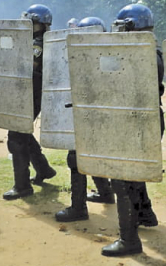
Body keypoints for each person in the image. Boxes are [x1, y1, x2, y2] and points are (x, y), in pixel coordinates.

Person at [101, 4, 163, 257]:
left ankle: (129, 240)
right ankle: (146, 214)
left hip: (138, 120)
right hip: (142, 119)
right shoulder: (148, 50)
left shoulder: (145, 53)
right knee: (134, 173)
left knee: (123, 177)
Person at [55, 16, 115, 223]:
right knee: (92, 154)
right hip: (102, 115)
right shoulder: (111, 52)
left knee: (77, 157)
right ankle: (105, 193)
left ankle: (78, 208)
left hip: (94, 115)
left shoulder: (97, 55)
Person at [2, 4, 57, 200]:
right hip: (29, 92)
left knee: (16, 137)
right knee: (23, 132)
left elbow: (29, 65)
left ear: (37, 23)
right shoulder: (33, 40)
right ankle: (44, 169)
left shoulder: (38, 42)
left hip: (32, 93)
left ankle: (22, 186)